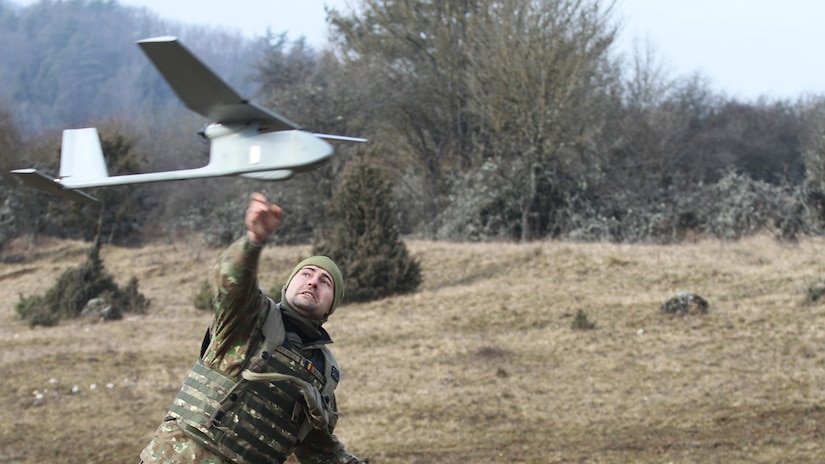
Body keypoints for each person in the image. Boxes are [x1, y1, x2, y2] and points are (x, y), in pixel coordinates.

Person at [140, 192, 368, 464]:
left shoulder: (324, 373)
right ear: (288, 285)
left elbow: (319, 448)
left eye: (325, 281)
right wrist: (253, 242)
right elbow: (232, 282)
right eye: (306, 274)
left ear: (331, 306)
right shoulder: (249, 316)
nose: (313, 282)